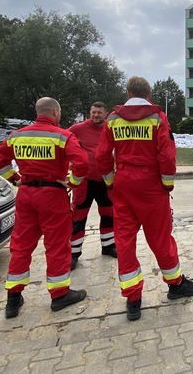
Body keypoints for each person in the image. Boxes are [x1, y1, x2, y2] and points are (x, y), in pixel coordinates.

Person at [96, 76, 193, 321]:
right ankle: (176, 286)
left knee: (124, 240)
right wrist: (167, 184)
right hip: (152, 186)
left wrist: (111, 181)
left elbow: (102, 155)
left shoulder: (112, 119)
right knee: (160, 238)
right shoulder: (157, 118)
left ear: (127, 92)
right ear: (149, 94)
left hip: (123, 185)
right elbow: (166, 155)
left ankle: (133, 300)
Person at [0, 97, 89, 319]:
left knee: (21, 246)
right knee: (57, 246)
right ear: (55, 112)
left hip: (26, 195)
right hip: (53, 195)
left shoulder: (18, 136)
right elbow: (82, 163)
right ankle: (59, 294)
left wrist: (15, 179)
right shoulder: (62, 136)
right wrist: (72, 182)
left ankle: (13, 299)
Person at [68, 101, 116, 269]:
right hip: (84, 182)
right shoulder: (76, 129)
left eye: (99, 112)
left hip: (105, 180)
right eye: (94, 112)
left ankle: (108, 246)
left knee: (109, 213)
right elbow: (63, 146)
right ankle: (73, 254)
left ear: (106, 113)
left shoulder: (110, 128)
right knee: (78, 217)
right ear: (90, 112)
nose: (96, 115)